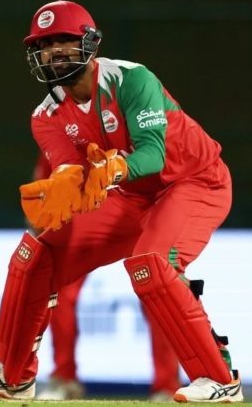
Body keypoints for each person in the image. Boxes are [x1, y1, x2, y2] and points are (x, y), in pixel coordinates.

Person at [0, 0, 242, 403]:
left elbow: (153, 155)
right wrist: (66, 183)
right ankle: (12, 376)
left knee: (151, 262)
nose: (54, 51)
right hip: (133, 196)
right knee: (36, 254)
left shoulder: (131, 80)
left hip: (194, 181)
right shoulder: (45, 116)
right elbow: (71, 170)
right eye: (44, 44)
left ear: (90, 44)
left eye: (64, 40)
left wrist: (112, 170)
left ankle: (220, 379)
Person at [29, 152, 182, 402]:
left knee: (158, 294)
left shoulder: (139, 118)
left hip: (141, 215)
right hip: (86, 218)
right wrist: (42, 223)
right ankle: (64, 378)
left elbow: (167, 166)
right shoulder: (69, 119)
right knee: (60, 292)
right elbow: (48, 172)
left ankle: (167, 386)